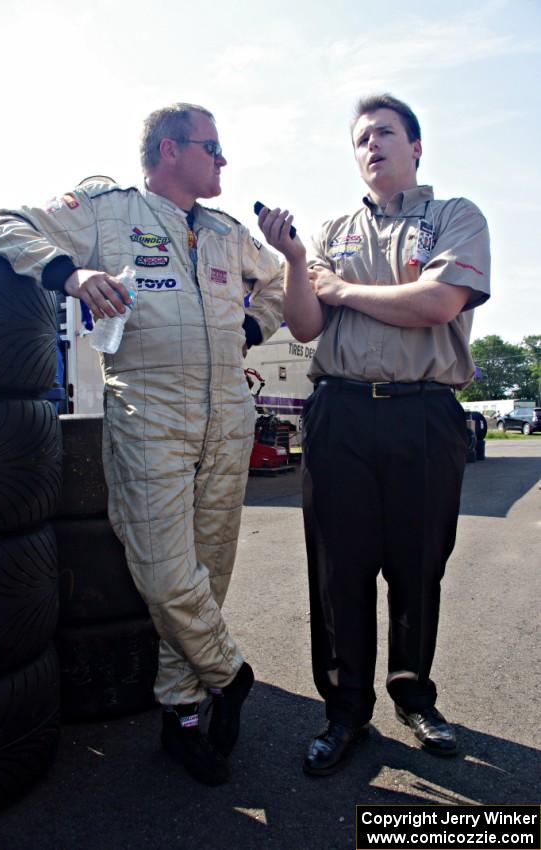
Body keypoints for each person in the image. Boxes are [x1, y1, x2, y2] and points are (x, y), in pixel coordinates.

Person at [0, 103, 284, 786]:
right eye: (213, 147)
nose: (224, 160)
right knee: (164, 569)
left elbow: (280, 283)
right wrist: (71, 274)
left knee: (209, 567)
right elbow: (0, 225)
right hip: (149, 406)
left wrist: (252, 333)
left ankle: (180, 714)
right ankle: (229, 673)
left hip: (228, 411)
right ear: (170, 150)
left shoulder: (230, 234)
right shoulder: (106, 211)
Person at [258, 94, 490, 776]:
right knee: (340, 571)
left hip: (424, 412)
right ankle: (344, 710)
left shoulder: (453, 217)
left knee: (417, 565)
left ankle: (412, 696)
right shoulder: (331, 232)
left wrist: (345, 292)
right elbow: (304, 327)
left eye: (385, 133)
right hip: (340, 413)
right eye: (360, 138)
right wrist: (300, 263)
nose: (371, 146)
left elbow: (437, 303)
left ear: (416, 146)